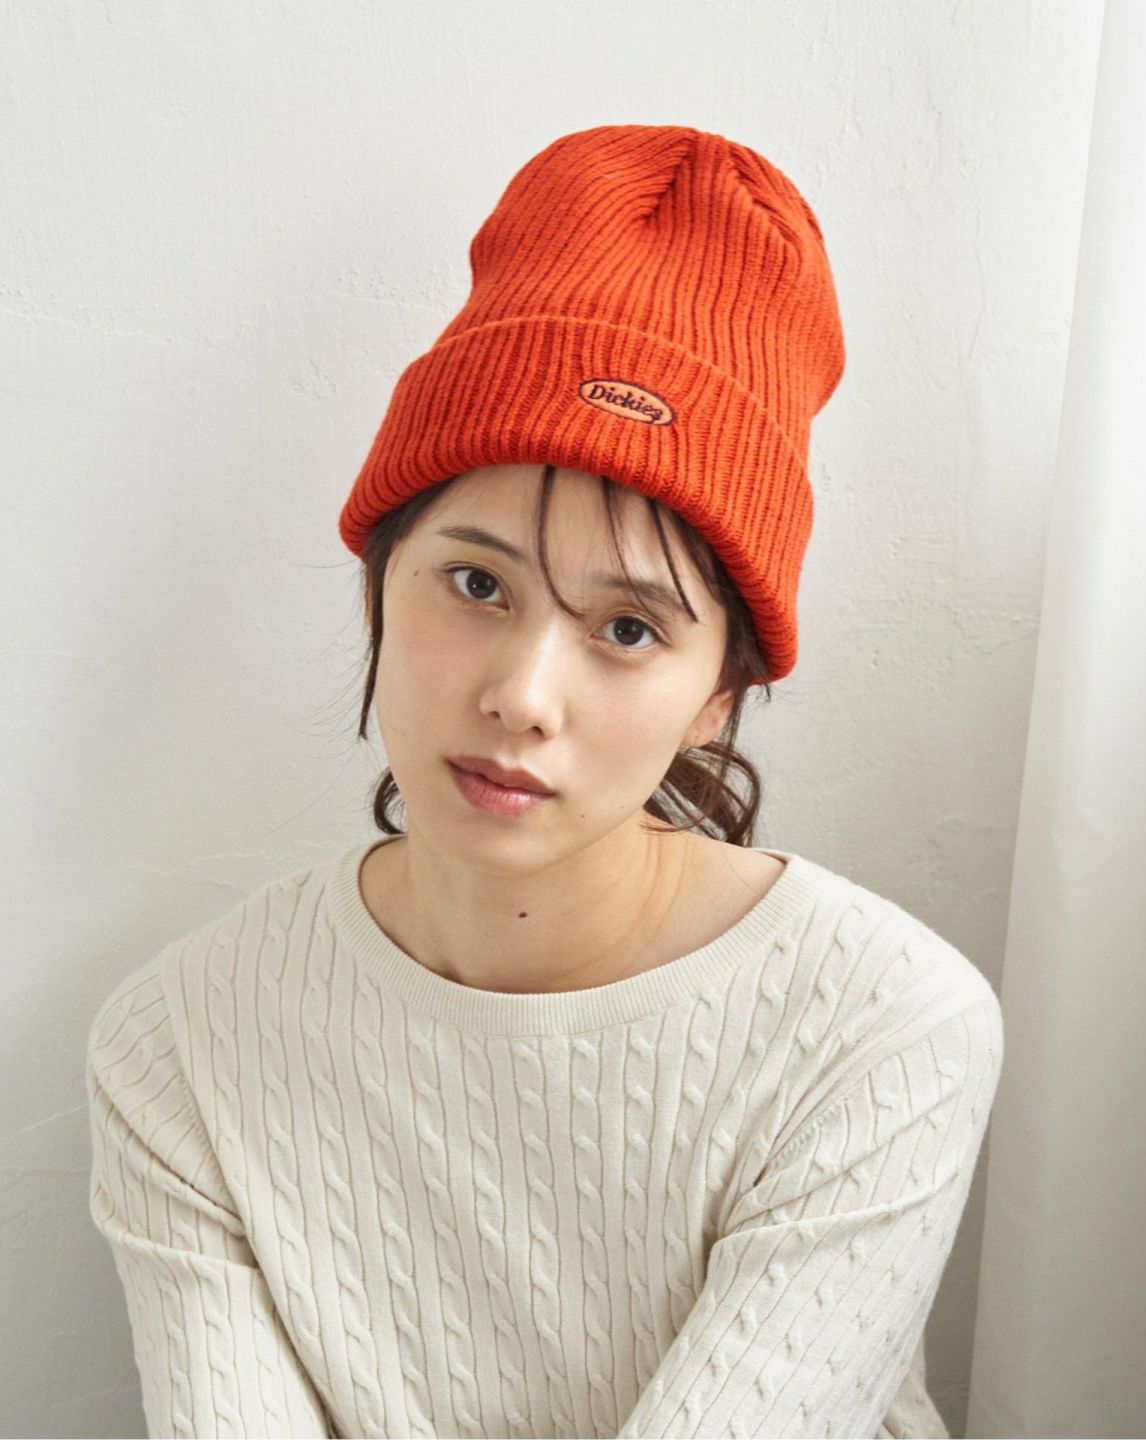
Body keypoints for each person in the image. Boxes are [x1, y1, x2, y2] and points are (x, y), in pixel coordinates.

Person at [85, 125, 1003, 1439]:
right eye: (477, 583)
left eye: (628, 628)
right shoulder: (180, 1042)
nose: (523, 693)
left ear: (720, 697)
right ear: (379, 588)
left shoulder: (879, 1024)